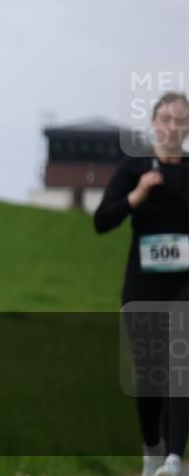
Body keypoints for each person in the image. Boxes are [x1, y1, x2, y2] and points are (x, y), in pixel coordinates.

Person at [95, 91, 189, 476]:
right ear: (153, 122)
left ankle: (173, 460)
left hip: (186, 281)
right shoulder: (132, 168)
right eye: (165, 118)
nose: (171, 127)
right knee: (151, 371)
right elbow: (102, 222)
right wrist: (138, 194)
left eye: (180, 120)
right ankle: (153, 449)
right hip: (143, 282)